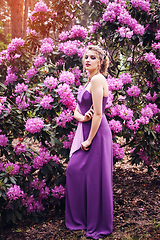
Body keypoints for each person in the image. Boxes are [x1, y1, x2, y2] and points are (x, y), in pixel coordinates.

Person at [65, 45, 113, 239]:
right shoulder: (87, 81)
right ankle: (83, 219)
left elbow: (99, 114)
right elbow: (77, 110)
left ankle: (96, 222)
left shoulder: (98, 79)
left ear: (100, 62)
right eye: (86, 57)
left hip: (97, 134)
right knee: (76, 171)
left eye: (92, 57)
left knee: (93, 176)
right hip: (87, 128)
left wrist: (89, 140)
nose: (87, 60)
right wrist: (82, 118)